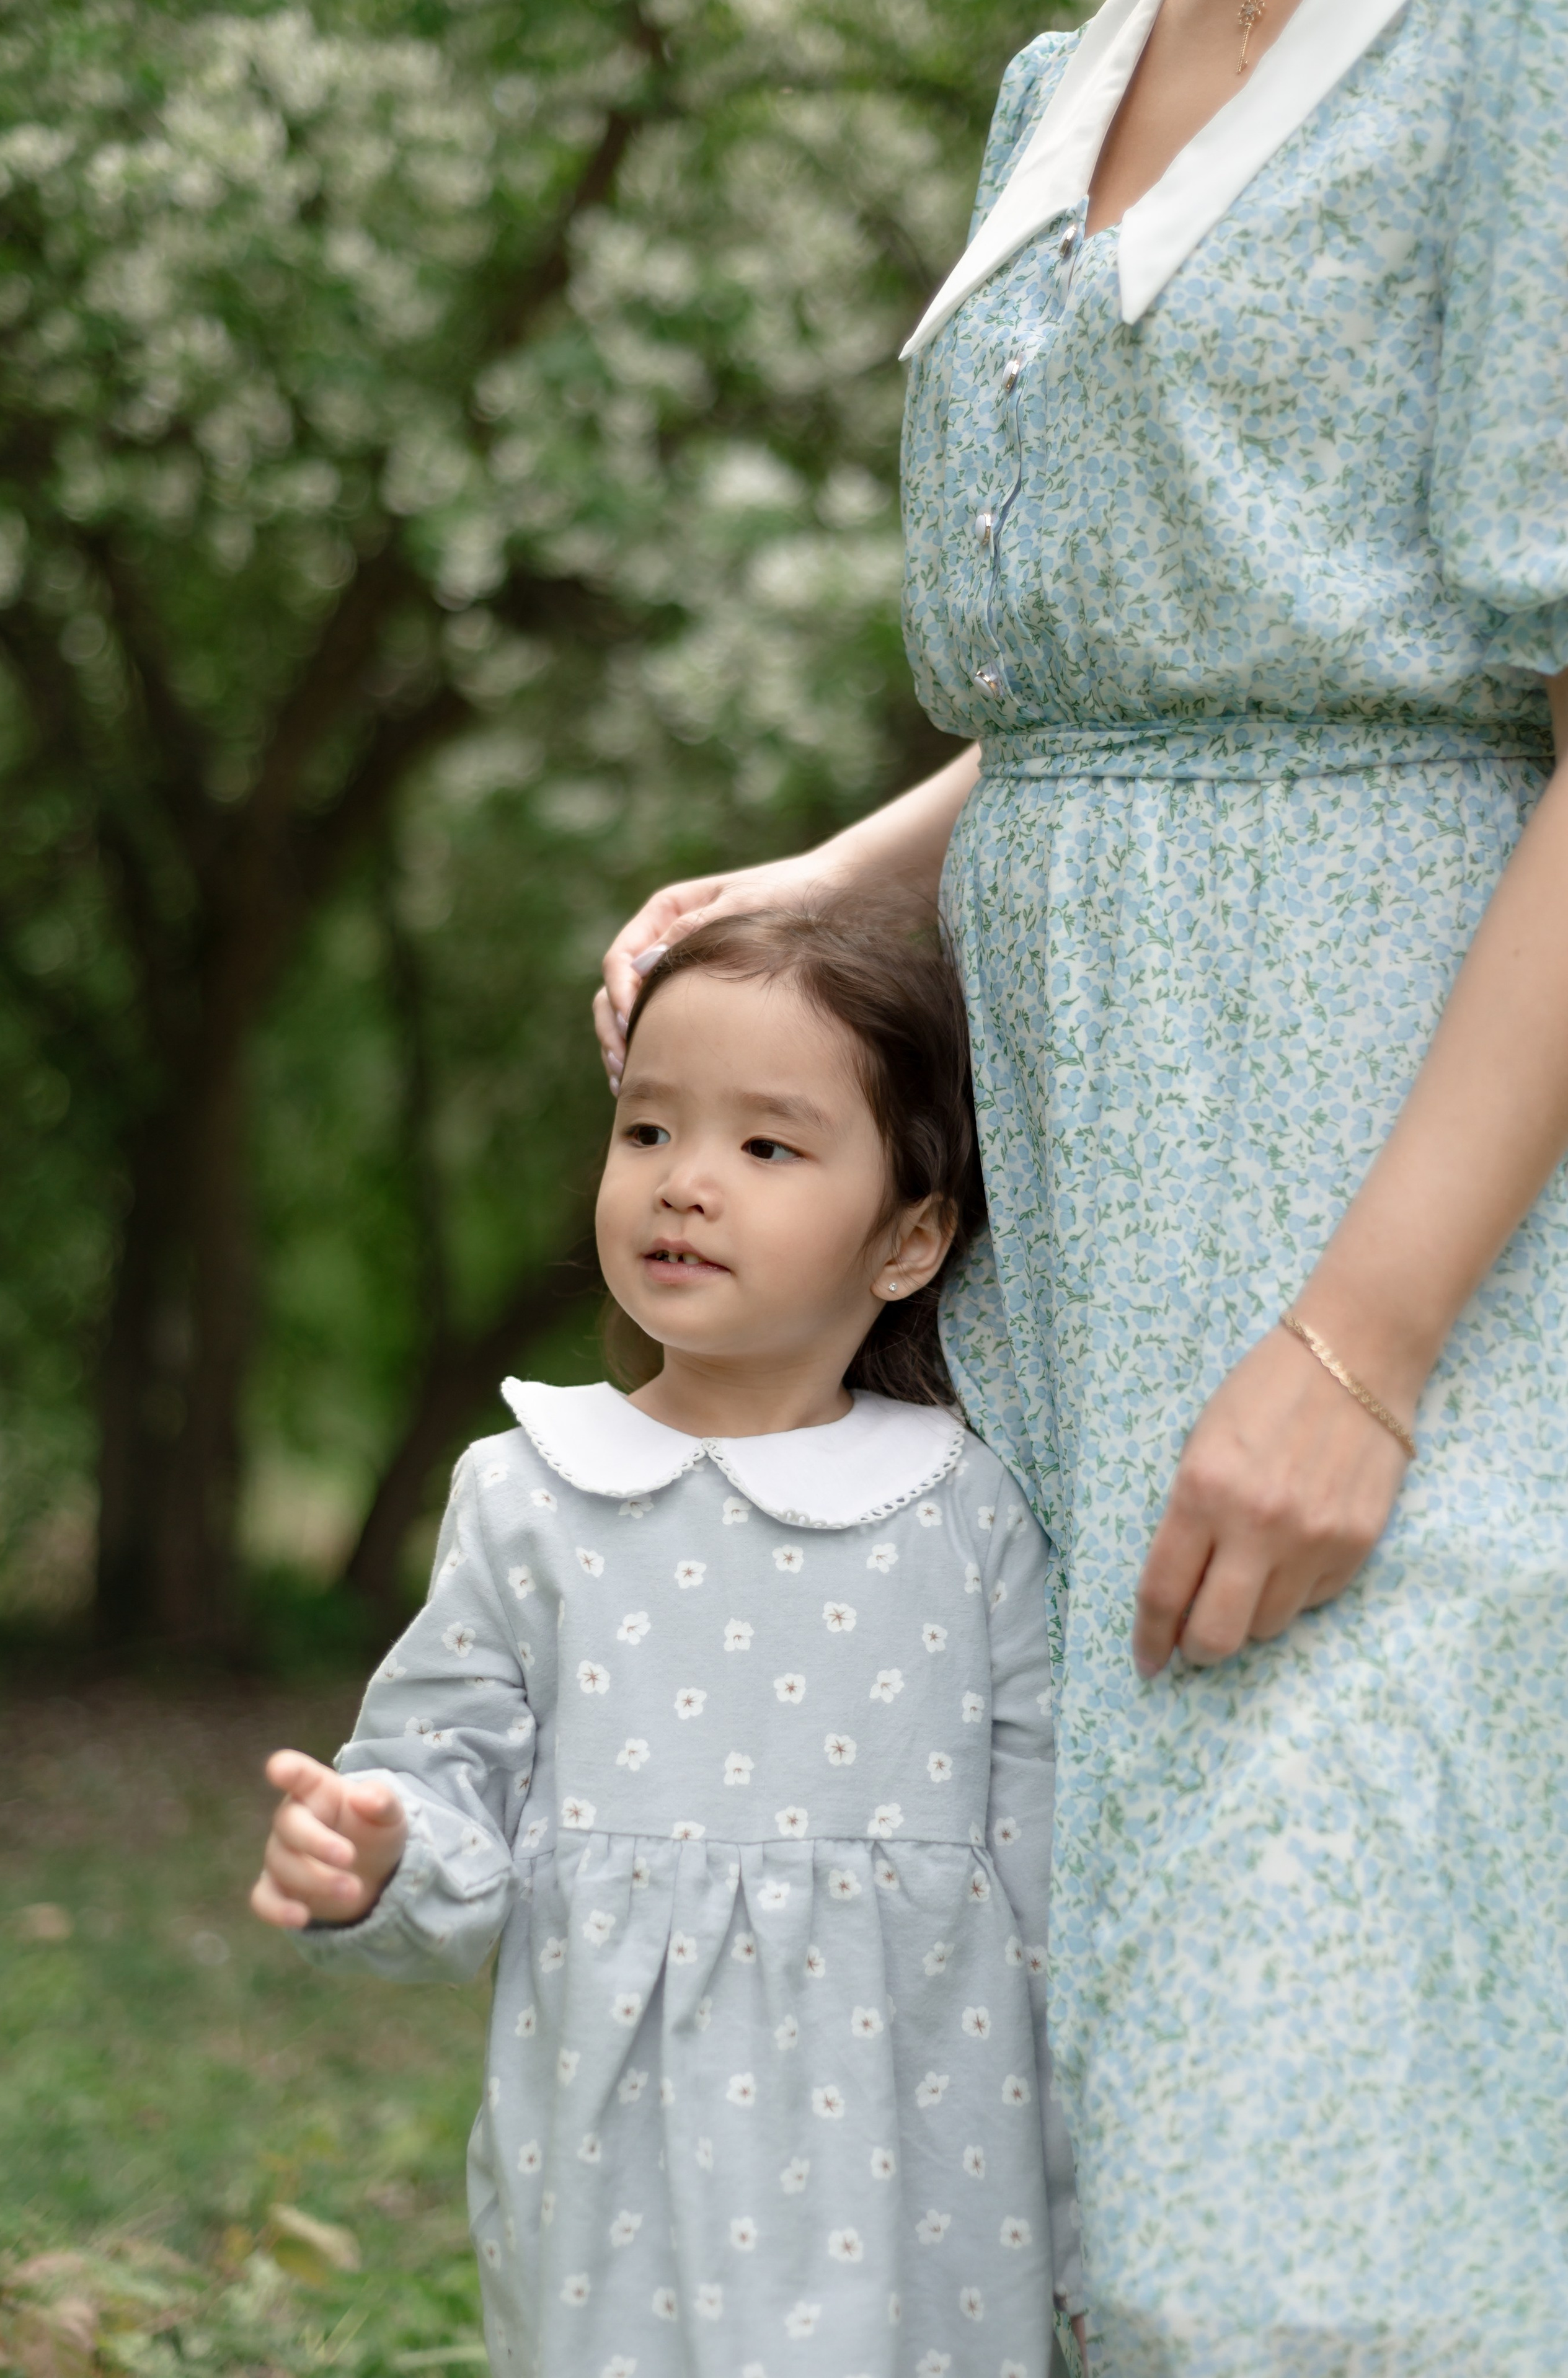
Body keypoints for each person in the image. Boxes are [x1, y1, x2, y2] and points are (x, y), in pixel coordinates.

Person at [593, 1, 1568, 2371]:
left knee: (1303, 2177)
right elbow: (1147, 665)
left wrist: (1364, 1344)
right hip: (1065, 1254)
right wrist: (826, 881)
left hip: (1388, 1208)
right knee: (1043, 2150)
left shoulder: (1504, 50)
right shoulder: (1064, 77)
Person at [252, 903, 1086, 2378]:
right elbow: (442, 1786)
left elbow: (1046, 1866)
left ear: (908, 1236)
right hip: (607, 2159)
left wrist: (1088, 2180)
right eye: (647, 1131)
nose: (685, 1184)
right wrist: (378, 1849)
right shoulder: (527, 1491)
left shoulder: (966, 1508)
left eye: (766, 1146)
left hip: (919, 2154)